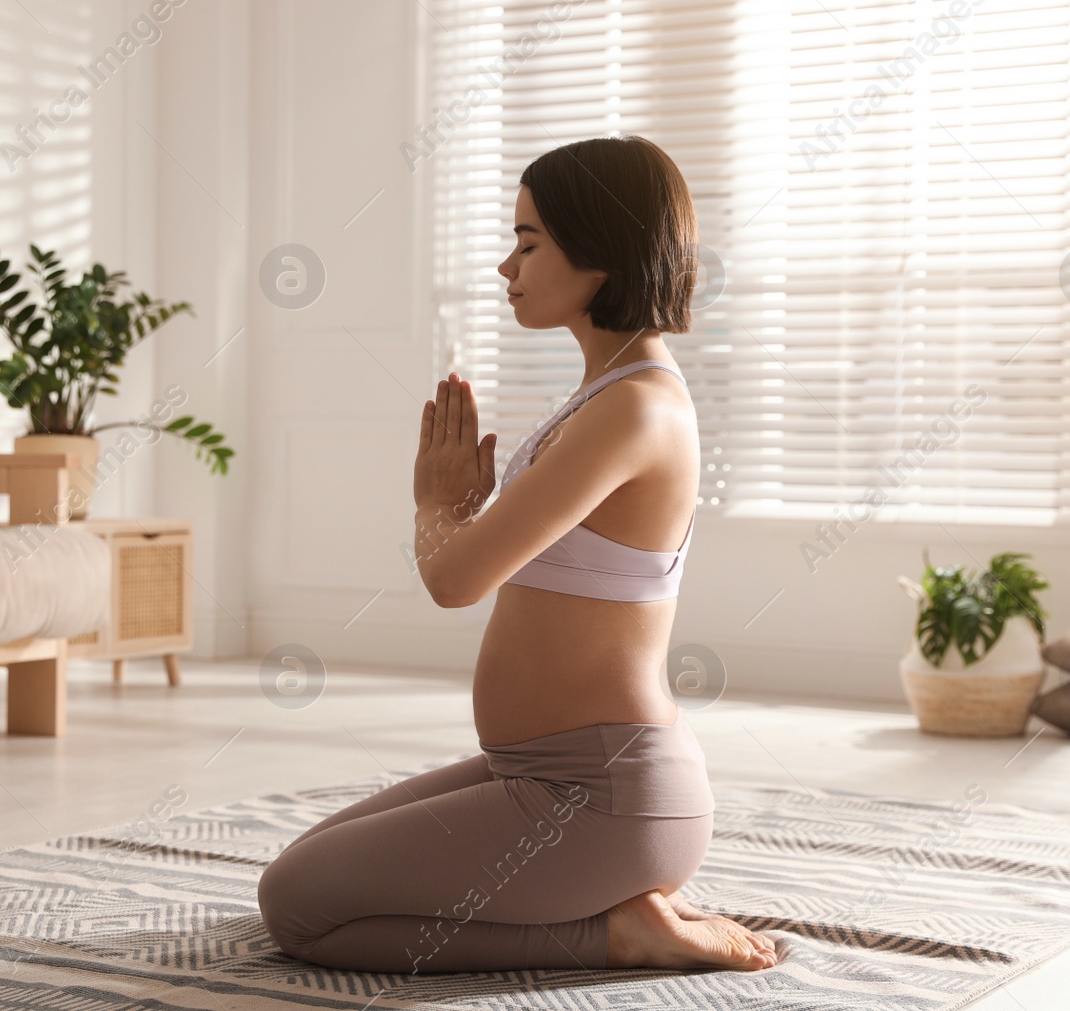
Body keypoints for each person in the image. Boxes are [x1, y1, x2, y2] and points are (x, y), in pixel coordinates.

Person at [257, 135, 776, 975]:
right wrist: (456, 509)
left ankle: (617, 931)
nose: (508, 265)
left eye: (529, 242)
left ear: (600, 253)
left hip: (599, 796)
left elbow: (455, 578)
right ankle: (616, 902)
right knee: (316, 861)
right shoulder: (605, 393)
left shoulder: (634, 409)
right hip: (537, 773)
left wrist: (438, 505)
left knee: (297, 907)